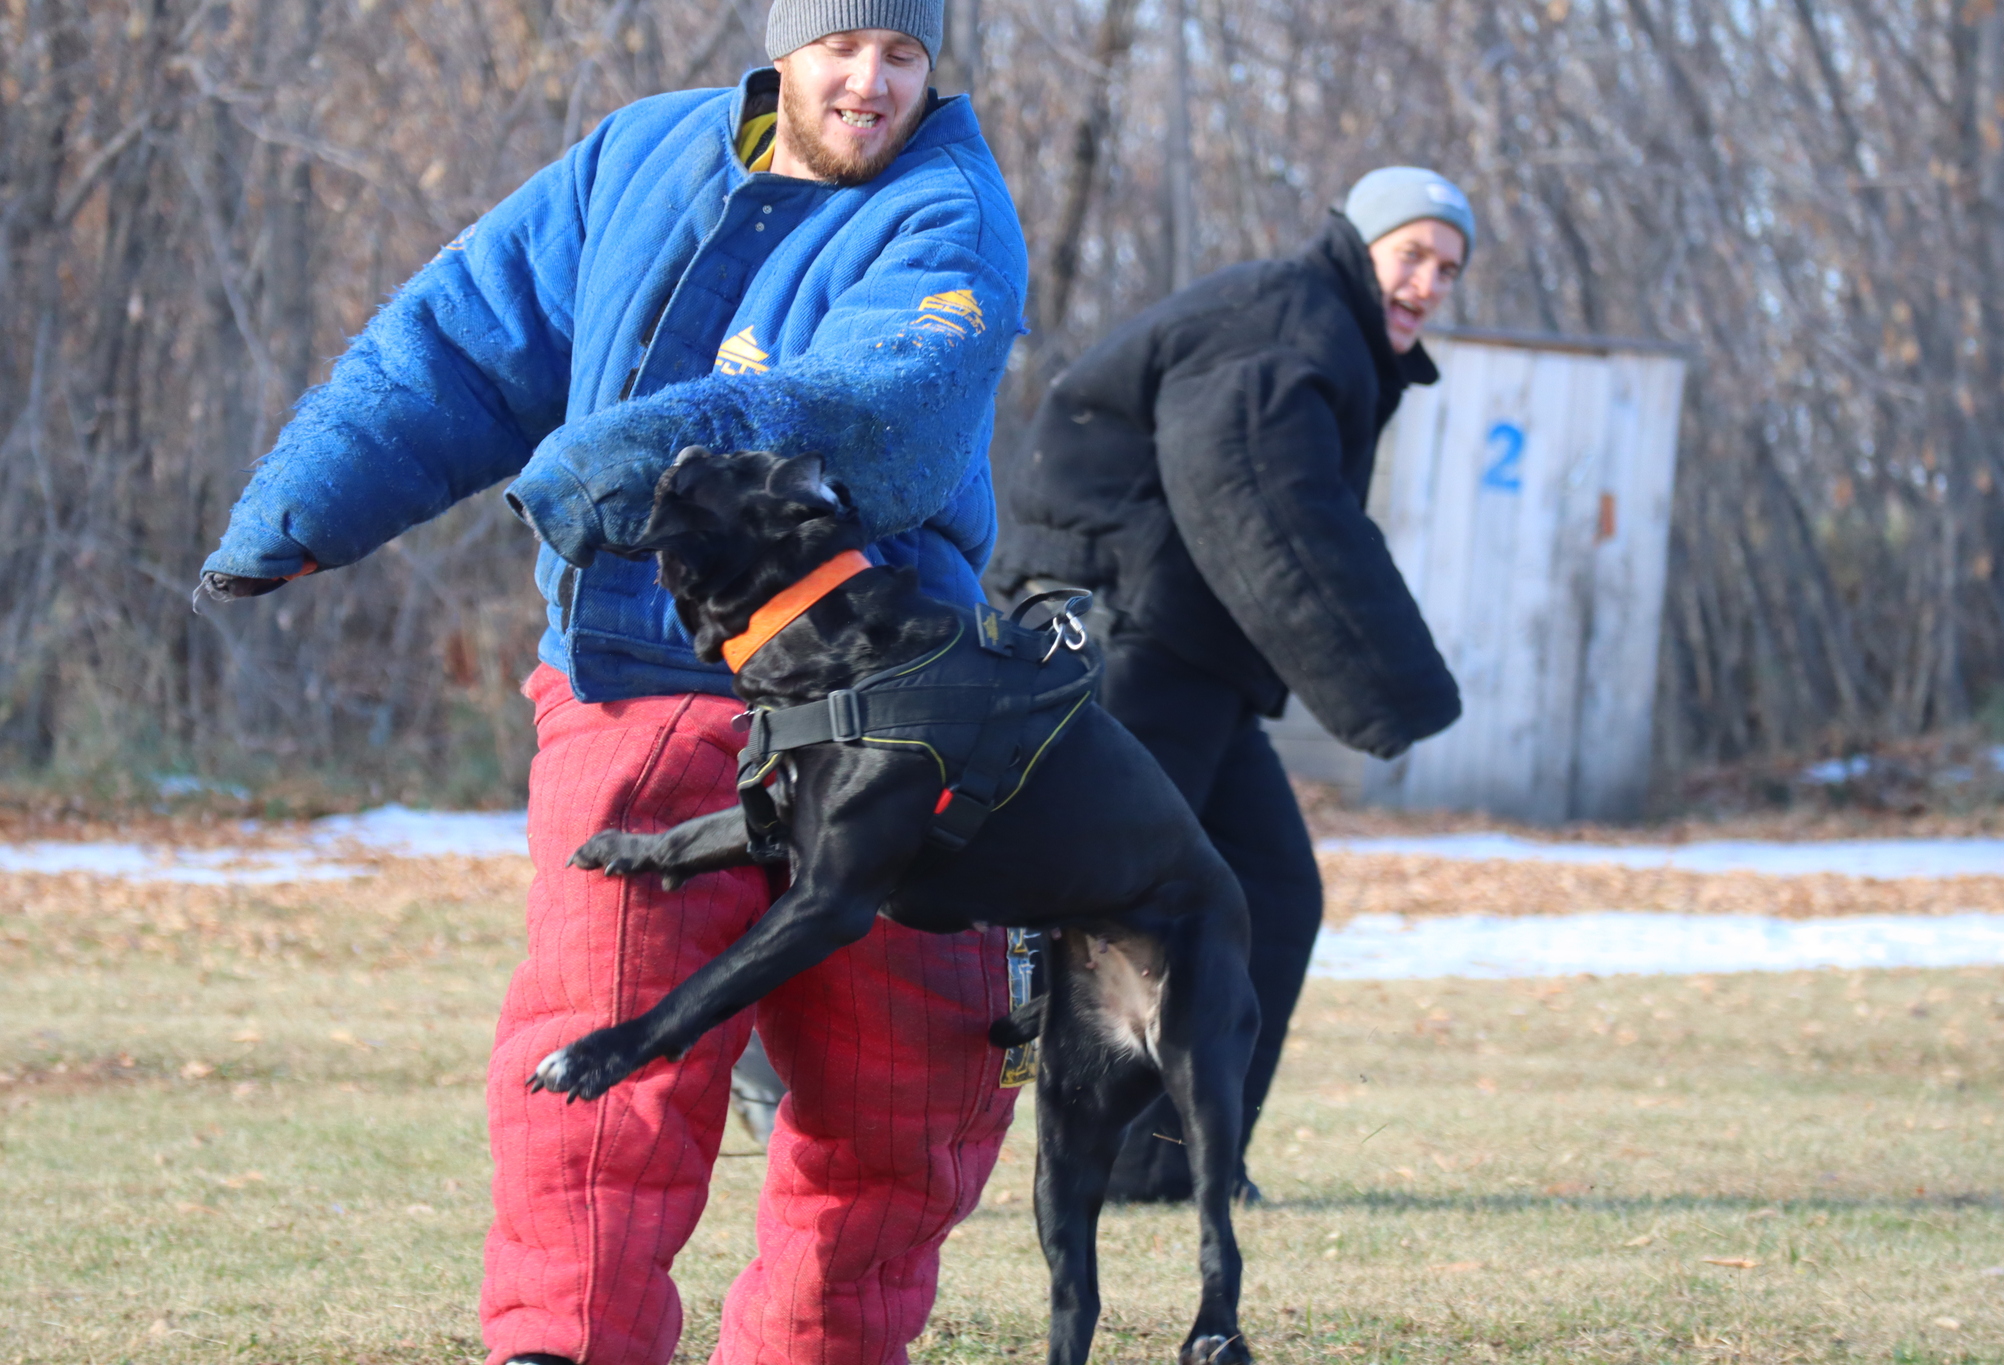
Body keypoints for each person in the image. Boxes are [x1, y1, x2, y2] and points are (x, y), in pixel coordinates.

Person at [198, 5, 1030, 1362]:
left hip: (888, 703)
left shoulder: (951, 212)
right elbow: (461, 341)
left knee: (911, 1091)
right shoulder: (635, 158)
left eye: (903, 54)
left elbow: (887, 408)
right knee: (599, 1063)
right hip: (641, 686)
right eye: (840, 49)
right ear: (784, 50)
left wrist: (631, 459)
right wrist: (305, 506)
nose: (871, 83)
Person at [992, 166, 1471, 1202]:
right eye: (1412, 255)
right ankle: (1103, 1157)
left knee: (1267, 892)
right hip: (1125, 632)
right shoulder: (1286, 318)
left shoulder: (1326, 333)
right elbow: (1254, 492)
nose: (1428, 281)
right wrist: (1392, 687)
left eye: (1446, 267)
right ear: (1358, 243)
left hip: (1192, 654)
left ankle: (1169, 1166)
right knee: (1128, 908)